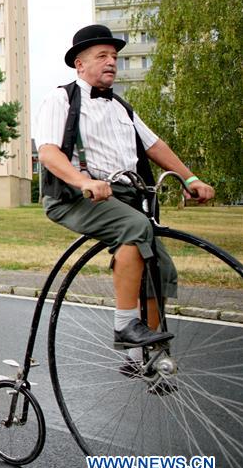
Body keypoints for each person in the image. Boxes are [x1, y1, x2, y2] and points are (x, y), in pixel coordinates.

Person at [34, 24, 215, 366]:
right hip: (77, 197)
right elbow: (48, 152)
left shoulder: (121, 108)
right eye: (102, 56)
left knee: (160, 266)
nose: (111, 63)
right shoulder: (61, 99)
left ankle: (143, 356)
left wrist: (190, 177)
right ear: (80, 65)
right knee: (134, 227)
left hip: (127, 197)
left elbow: (155, 145)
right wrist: (82, 180)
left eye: (114, 57)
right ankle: (124, 327)